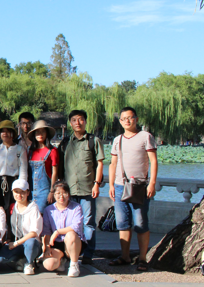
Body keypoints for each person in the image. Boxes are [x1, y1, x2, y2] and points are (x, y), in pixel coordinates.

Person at [108, 106, 157, 272]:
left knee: (140, 223)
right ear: (120, 121)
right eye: (123, 118)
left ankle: (143, 258)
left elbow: (153, 161)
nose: (127, 121)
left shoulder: (145, 136)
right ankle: (125, 256)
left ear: (136, 119)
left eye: (130, 117)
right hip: (120, 186)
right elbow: (113, 163)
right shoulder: (118, 140)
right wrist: (111, 184)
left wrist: (152, 183)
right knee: (122, 223)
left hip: (139, 186)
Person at [59, 109, 104, 265]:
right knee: (69, 223)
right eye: (74, 120)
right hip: (69, 190)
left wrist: (97, 184)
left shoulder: (93, 141)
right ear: (70, 123)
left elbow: (100, 164)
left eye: (80, 119)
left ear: (85, 121)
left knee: (88, 223)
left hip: (87, 189)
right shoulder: (65, 143)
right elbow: (60, 166)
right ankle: (71, 252)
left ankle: (88, 255)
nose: (77, 123)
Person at [0, 179, 42, 275]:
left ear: (28, 193)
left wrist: (16, 243)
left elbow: (34, 232)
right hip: (16, 243)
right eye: (16, 192)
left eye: (22, 192)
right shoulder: (12, 207)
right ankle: (21, 260)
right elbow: (9, 225)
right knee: (1, 258)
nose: (19, 195)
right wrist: (9, 239)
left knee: (31, 243)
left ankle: (29, 263)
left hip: (30, 243)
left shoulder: (34, 208)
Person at [41, 181, 84, 277]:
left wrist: (57, 232)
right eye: (58, 193)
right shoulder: (49, 210)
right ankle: (61, 260)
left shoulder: (76, 207)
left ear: (69, 194)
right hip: (56, 243)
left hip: (73, 242)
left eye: (64, 193)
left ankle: (74, 264)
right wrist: (47, 247)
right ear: (54, 195)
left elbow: (76, 226)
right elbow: (46, 231)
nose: (61, 196)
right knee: (49, 265)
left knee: (70, 234)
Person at [0, 120, 28, 223]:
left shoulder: (20, 150)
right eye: (3, 131)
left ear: (12, 133)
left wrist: (21, 187)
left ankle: (12, 230)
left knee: (13, 208)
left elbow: (23, 170)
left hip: (14, 182)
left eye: (8, 131)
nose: (5, 133)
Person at [27, 120, 59, 214]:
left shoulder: (52, 150)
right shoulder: (30, 150)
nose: (40, 134)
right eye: (37, 132)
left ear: (47, 134)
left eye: (43, 131)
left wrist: (52, 191)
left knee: (41, 215)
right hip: (30, 192)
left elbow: (54, 173)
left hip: (44, 192)